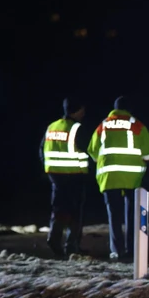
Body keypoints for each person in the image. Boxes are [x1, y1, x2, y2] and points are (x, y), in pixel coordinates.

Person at [87, 96, 149, 261]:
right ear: (129, 109)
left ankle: (117, 250)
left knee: (113, 215)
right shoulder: (137, 124)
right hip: (133, 176)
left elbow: (93, 151)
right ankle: (132, 248)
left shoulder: (103, 125)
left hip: (109, 176)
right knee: (132, 214)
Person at [40, 98, 90, 258]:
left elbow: (42, 149)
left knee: (59, 207)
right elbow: (88, 149)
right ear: (76, 111)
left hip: (55, 175)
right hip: (74, 174)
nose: (84, 113)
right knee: (75, 211)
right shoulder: (76, 128)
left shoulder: (52, 127)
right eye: (82, 110)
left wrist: (49, 167)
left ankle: (54, 238)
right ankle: (71, 245)